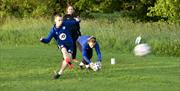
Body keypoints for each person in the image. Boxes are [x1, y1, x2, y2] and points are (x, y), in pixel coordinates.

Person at [40, 14, 80, 79]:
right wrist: (42, 40)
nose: (61, 21)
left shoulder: (65, 24)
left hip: (70, 45)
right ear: (55, 20)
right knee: (64, 51)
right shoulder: (53, 31)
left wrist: (78, 20)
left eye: (61, 20)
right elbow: (47, 40)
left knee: (67, 60)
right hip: (62, 44)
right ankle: (68, 61)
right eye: (59, 20)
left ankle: (59, 73)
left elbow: (74, 22)